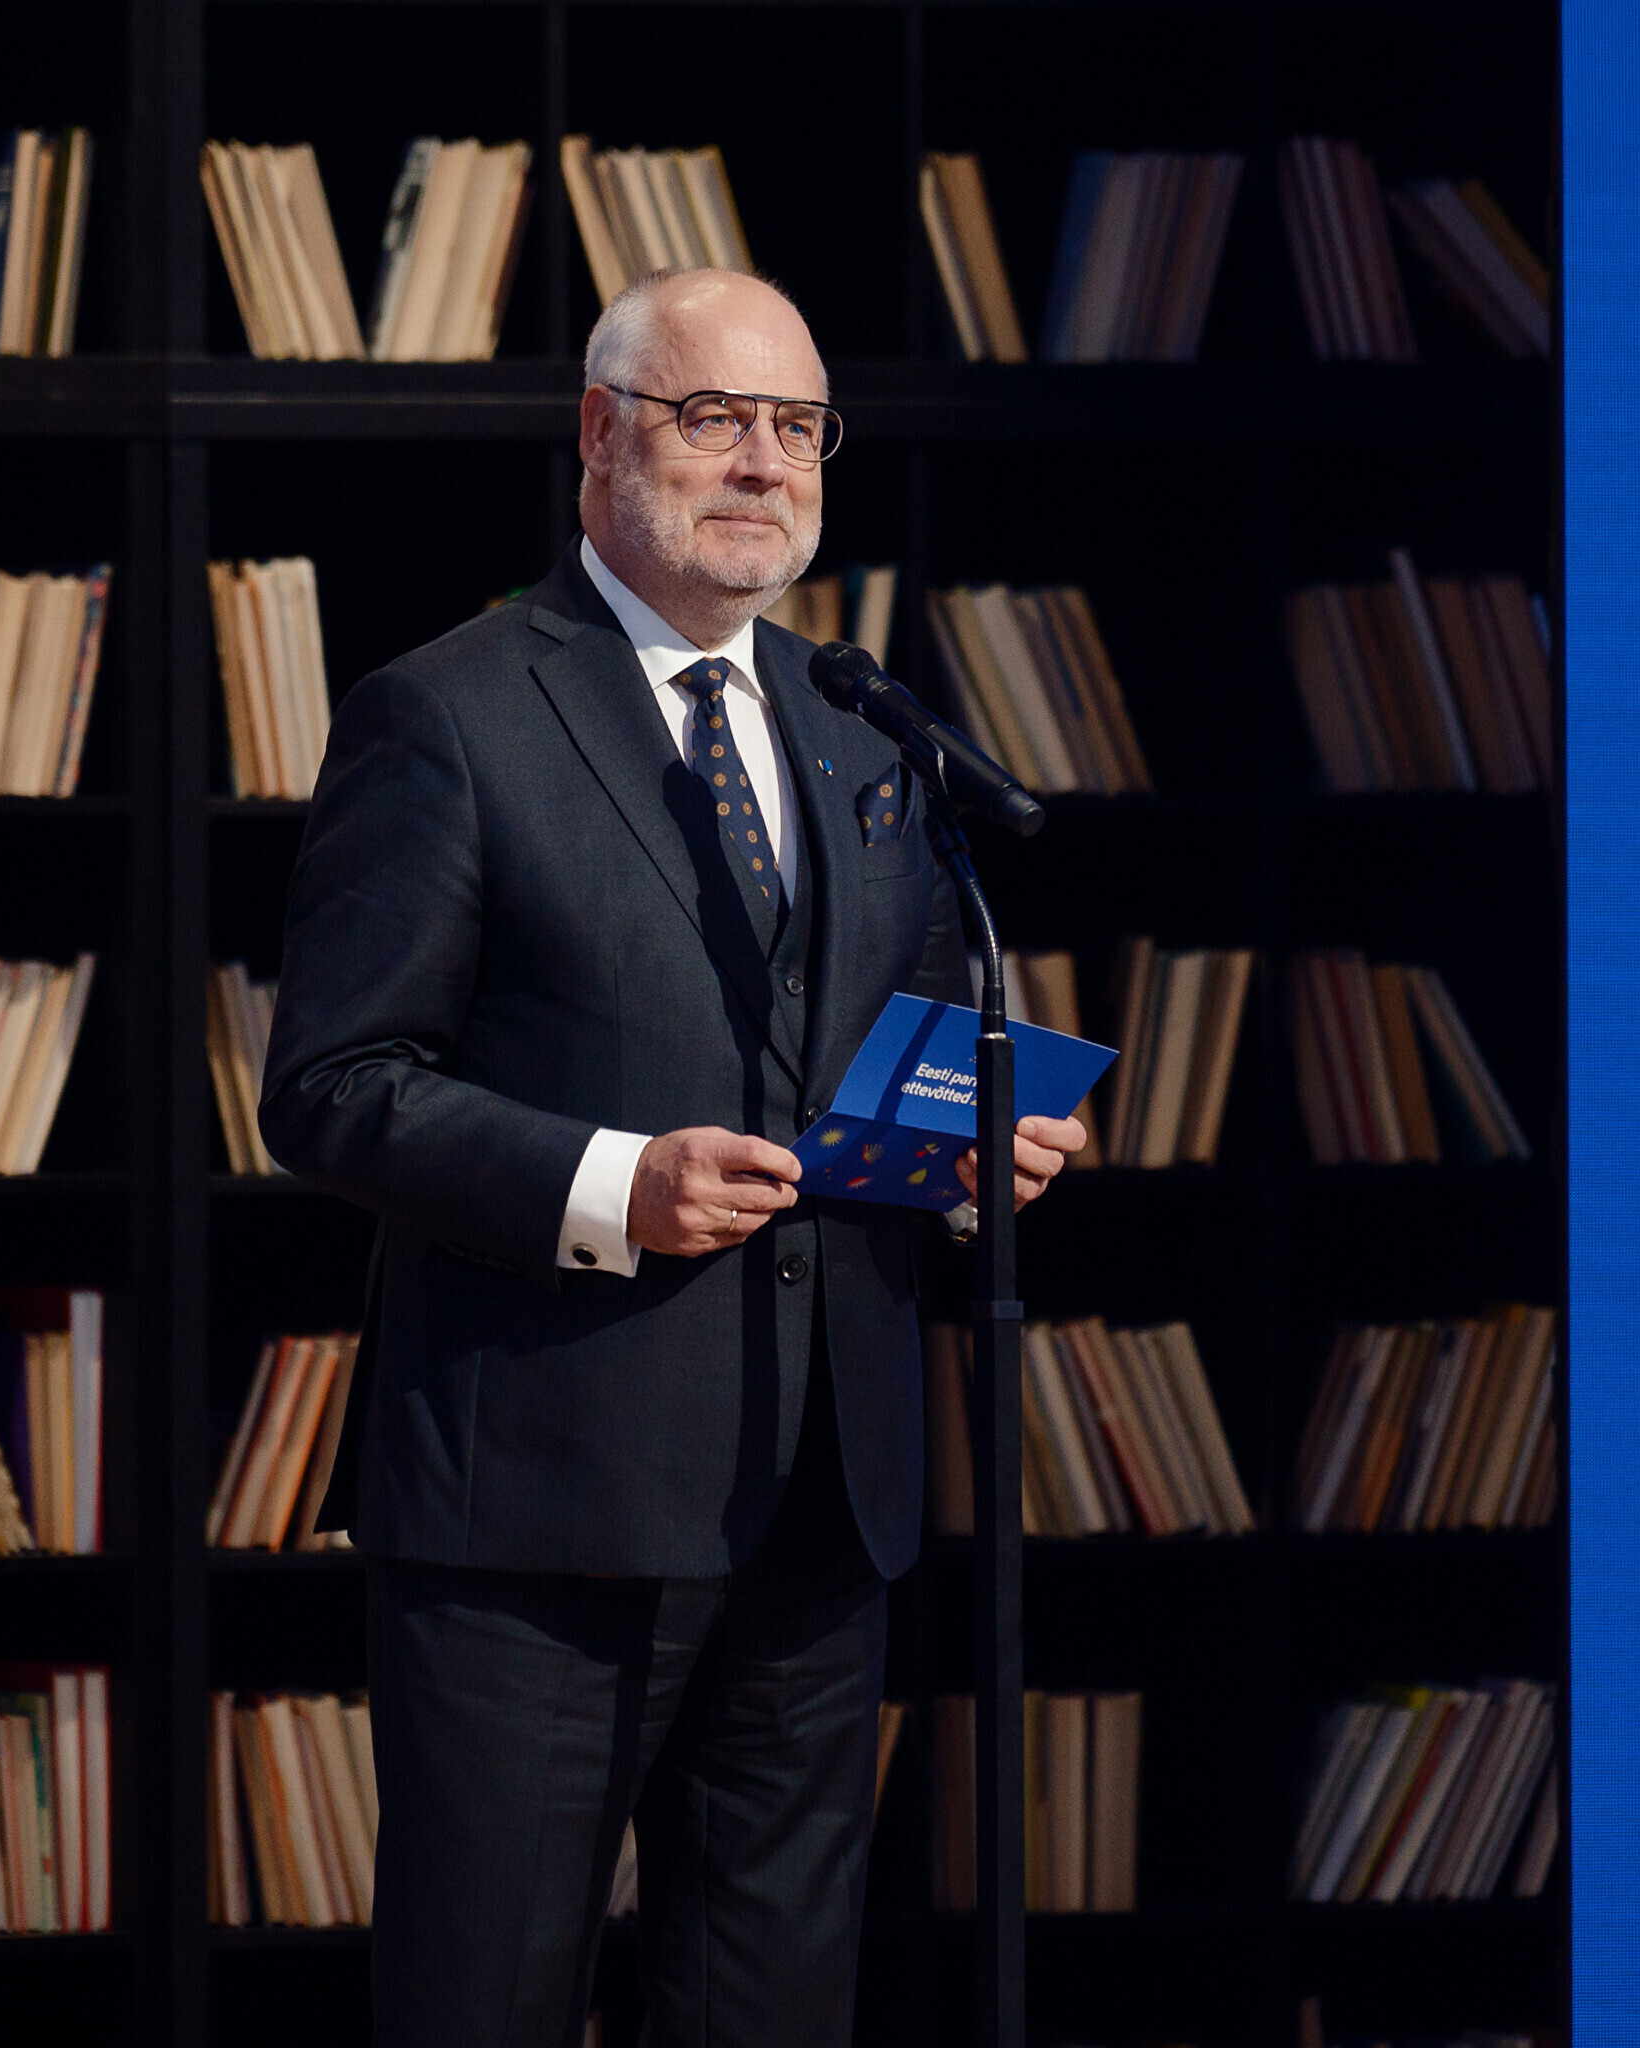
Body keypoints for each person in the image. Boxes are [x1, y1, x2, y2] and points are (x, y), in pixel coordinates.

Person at [258, 268, 1086, 2048]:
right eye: (715, 418)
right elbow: (333, 1084)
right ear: (600, 435)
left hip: (819, 1498)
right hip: (535, 1519)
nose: (765, 464)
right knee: (484, 2008)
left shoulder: (862, 723)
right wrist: (610, 1184)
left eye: (798, 427)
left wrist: (962, 1147)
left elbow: (880, 1048)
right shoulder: (449, 712)